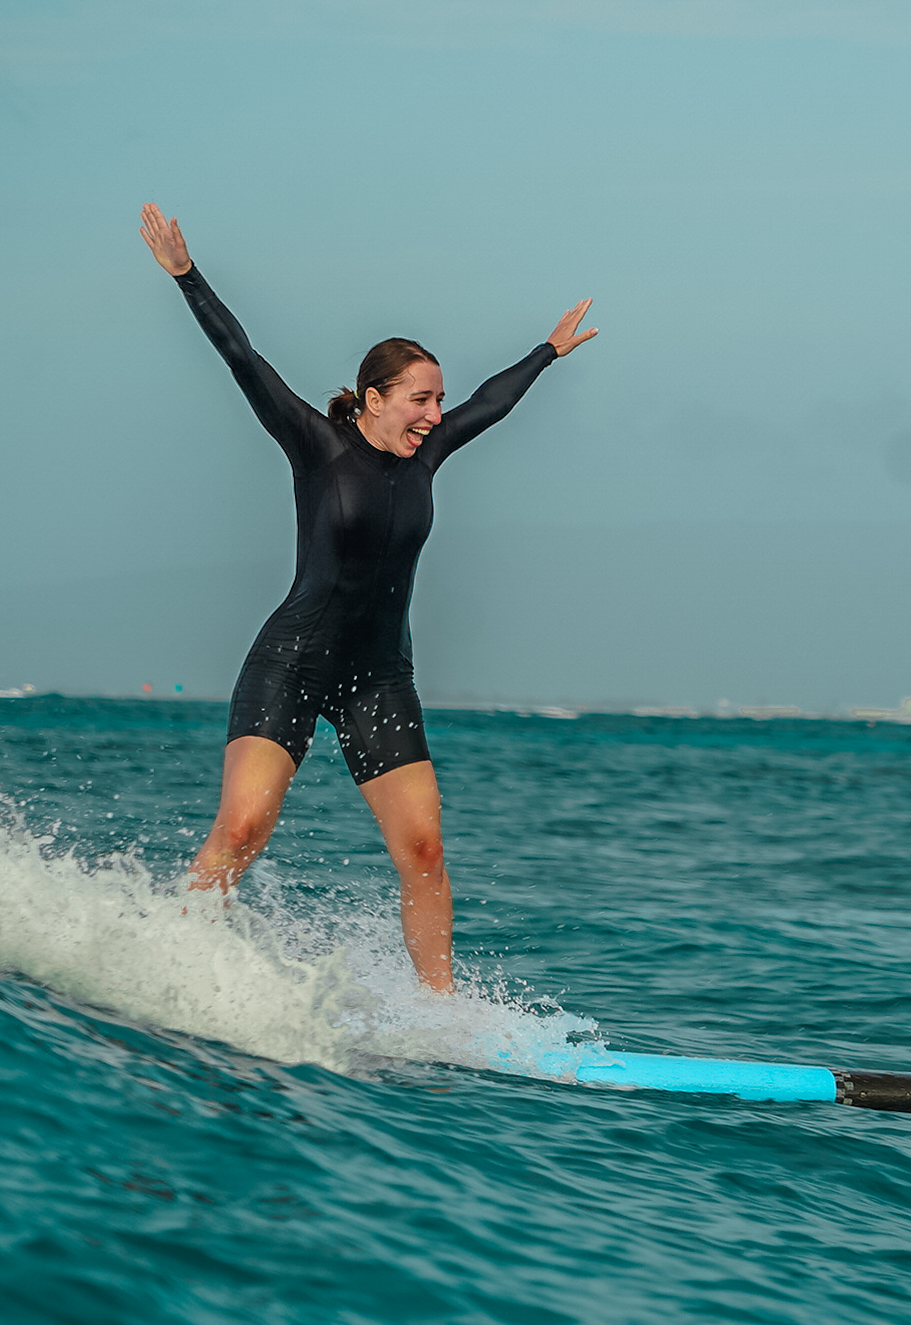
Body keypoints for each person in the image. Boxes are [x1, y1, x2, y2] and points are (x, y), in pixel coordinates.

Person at [138, 202, 596, 993]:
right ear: (373, 398)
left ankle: (440, 1014)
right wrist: (187, 275)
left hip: (378, 675)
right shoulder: (316, 445)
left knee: (423, 850)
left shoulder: (429, 455)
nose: (436, 416)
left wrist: (547, 352)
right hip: (292, 661)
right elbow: (242, 355)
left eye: (439, 400)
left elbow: (492, 402)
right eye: (421, 400)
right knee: (242, 830)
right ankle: (165, 966)